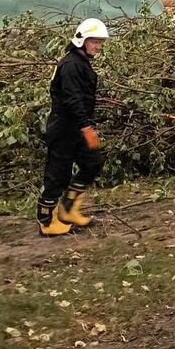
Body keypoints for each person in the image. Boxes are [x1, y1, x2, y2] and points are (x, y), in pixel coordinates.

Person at [37, 18, 109, 237]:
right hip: (64, 127)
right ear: (81, 40)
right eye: (94, 41)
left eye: (99, 42)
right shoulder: (70, 64)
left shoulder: (81, 62)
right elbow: (72, 99)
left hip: (76, 126)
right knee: (57, 175)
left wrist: (84, 126)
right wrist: (86, 127)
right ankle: (46, 221)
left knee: (93, 163)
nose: (97, 46)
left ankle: (68, 209)